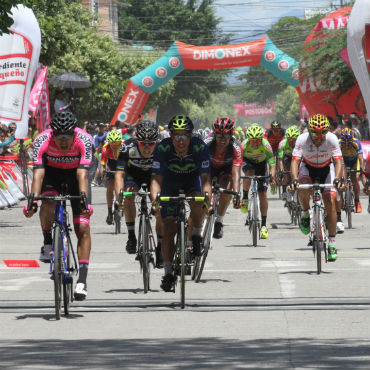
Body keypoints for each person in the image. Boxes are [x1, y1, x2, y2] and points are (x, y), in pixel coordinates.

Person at [23, 111, 93, 300]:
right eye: (59, 136)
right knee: (47, 203)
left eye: (68, 136)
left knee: (83, 227)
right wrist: (33, 200)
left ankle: (82, 281)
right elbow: (38, 173)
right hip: (52, 175)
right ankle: (47, 241)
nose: (63, 141)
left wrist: (84, 199)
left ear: (75, 133)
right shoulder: (42, 139)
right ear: (52, 133)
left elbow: (83, 175)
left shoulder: (84, 140)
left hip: (77, 177)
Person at [150, 115, 212, 292]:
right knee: (169, 227)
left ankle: (197, 235)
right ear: (170, 136)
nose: (180, 140)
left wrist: (208, 199)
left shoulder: (199, 147)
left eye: (184, 135)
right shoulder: (162, 148)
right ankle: (168, 272)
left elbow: (206, 179)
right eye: (176, 136)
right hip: (170, 184)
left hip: (192, 182)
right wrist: (156, 200)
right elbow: (155, 179)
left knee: (198, 202)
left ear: (190, 136)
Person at [289, 114, 343, 262]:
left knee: (330, 202)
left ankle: (332, 243)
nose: (319, 138)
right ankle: (306, 213)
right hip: (308, 168)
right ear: (309, 131)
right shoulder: (302, 139)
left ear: (327, 132)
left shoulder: (331, 139)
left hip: (327, 169)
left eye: (322, 134)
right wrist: (294, 179)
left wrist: (338, 179)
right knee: (303, 187)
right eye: (315, 134)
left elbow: (338, 162)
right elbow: (295, 162)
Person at [114, 120, 163, 266]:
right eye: (143, 143)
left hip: (154, 175)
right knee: (128, 196)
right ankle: (131, 236)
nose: (147, 148)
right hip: (133, 175)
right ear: (136, 141)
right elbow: (119, 175)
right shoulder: (127, 147)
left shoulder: (162, 149)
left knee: (161, 207)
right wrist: (119, 197)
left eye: (151, 144)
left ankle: (160, 248)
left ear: (156, 142)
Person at [203, 117, 242, 238]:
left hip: (227, 168)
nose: (223, 139)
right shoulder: (206, 143)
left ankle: (219, 221)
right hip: (209, 166)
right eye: (219, 136)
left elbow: (236, 173)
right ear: (214, 135)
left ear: (231, 134)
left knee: (227, 189)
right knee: (205, 187)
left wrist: (236, 193)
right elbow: (199, 167)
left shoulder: (236, 147)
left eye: (226, 135)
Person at [241, 124, 276, 239]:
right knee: (249, 172)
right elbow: (236, 161)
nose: (255, 143)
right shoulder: (244, 146)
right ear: (248, 139)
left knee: (263, 195)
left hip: (261, 165)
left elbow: (272, 164)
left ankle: (264, 226)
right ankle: (245, 198)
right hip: (248, 162)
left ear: (262, 139)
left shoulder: (266, 145)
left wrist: (272, 177)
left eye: (258, 141)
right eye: (252, 141)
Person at [338, 127, 363, 217]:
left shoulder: (356, 143)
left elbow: (360, 158)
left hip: (354, 161)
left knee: (355, 179)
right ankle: (341, 200)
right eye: (345, 143)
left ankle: (357, 201)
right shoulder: (339, 144)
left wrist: (362, 169)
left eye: (349, 142)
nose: (347, 145)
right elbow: (337, 160)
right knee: (342, 180)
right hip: (343, 161)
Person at [99, 130, 123, 224]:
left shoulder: (124, 146)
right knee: (109, 187)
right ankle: (109, 212)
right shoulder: (105, 148)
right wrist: (102, 174)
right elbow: (102, 165)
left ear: (120, 142)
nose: (114, 145)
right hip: (112, 164)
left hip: (121, 163)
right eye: (112, 143)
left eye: (116, 143)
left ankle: (121, 200)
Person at [277, 125, 300, 199]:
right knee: (285, 172)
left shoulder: (301, 143)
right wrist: (281, 172)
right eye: (289, 139)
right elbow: (280, 159)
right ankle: (284, 190)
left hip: (298, 158)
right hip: (287, 157)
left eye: (294, 140)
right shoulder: (282, 143)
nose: (291, 142)